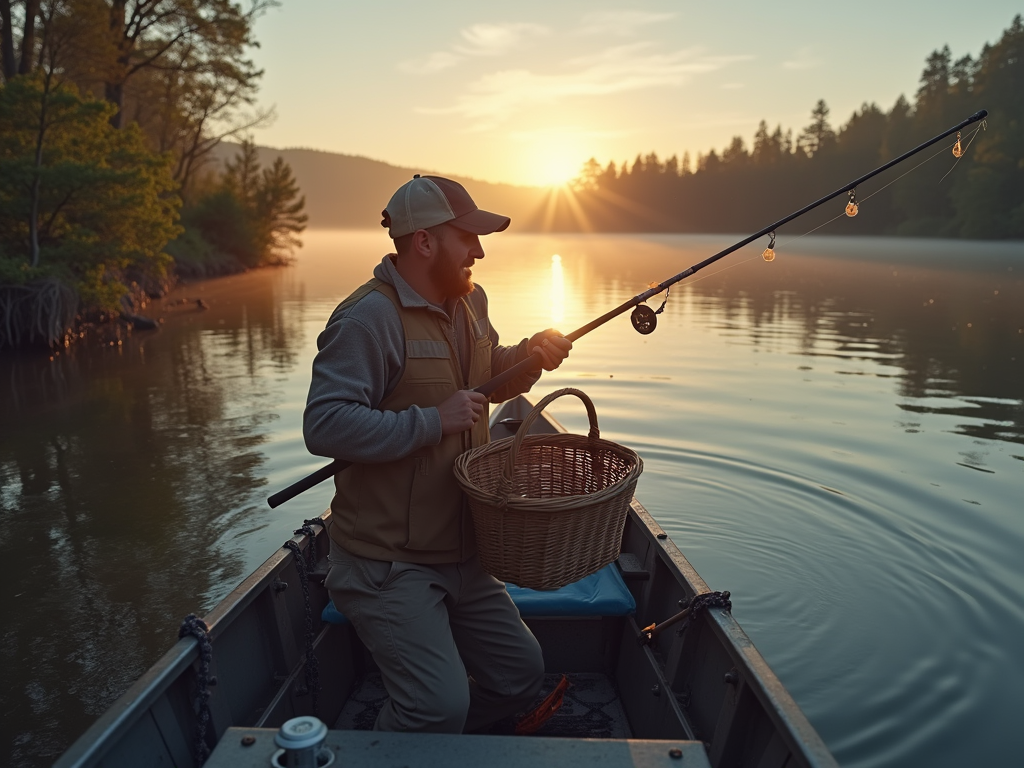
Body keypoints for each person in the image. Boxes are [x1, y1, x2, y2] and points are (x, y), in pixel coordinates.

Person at [304, 175, 572, 734]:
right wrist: (430, 422)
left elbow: (482, 379)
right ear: (424, 242)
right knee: (436, 706)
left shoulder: (470, 300)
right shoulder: (366, 319)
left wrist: (528, 356)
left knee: (521, 674)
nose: (478, 249)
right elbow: (324, 425)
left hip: (464, 550)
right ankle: (407, 735)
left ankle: (439, 744)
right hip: (387, 563)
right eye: (467, 237)